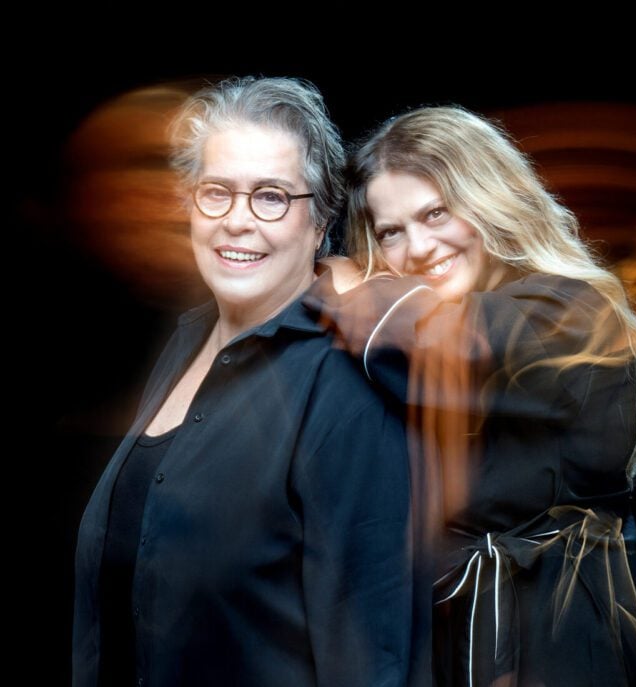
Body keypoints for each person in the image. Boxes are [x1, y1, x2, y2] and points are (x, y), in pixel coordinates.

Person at [72, 77, 429, 687]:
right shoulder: (188, 343)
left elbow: (373, 657)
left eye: (271, 196)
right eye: (217, 192)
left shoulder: (345, 383)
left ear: (319, 220)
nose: (237, 221)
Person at [308, 106, 636, 686]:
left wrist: (341, 284)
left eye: (436, 213)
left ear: (488, 200)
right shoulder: (404, 346)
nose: (419, 247)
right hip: (444, 638)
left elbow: (441, 342)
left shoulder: (572, 309)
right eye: (390, 232)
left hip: (551, 642)